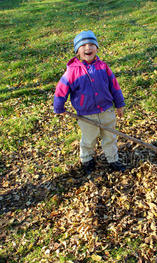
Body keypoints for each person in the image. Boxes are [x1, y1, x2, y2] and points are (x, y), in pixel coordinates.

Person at [53, 30, 126, 174]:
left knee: (110, 137)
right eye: (83, 45)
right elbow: (61, 89)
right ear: (77, 51)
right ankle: (87, 160)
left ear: (97, 48)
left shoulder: (103, 67)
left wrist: (119, 104)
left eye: (92, 44)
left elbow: (114, 86)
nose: (88, 48)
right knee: (89, 139)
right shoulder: (72, 71)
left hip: (106, 111)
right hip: (86, 115)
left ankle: (113, 159)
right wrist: (59, 107)